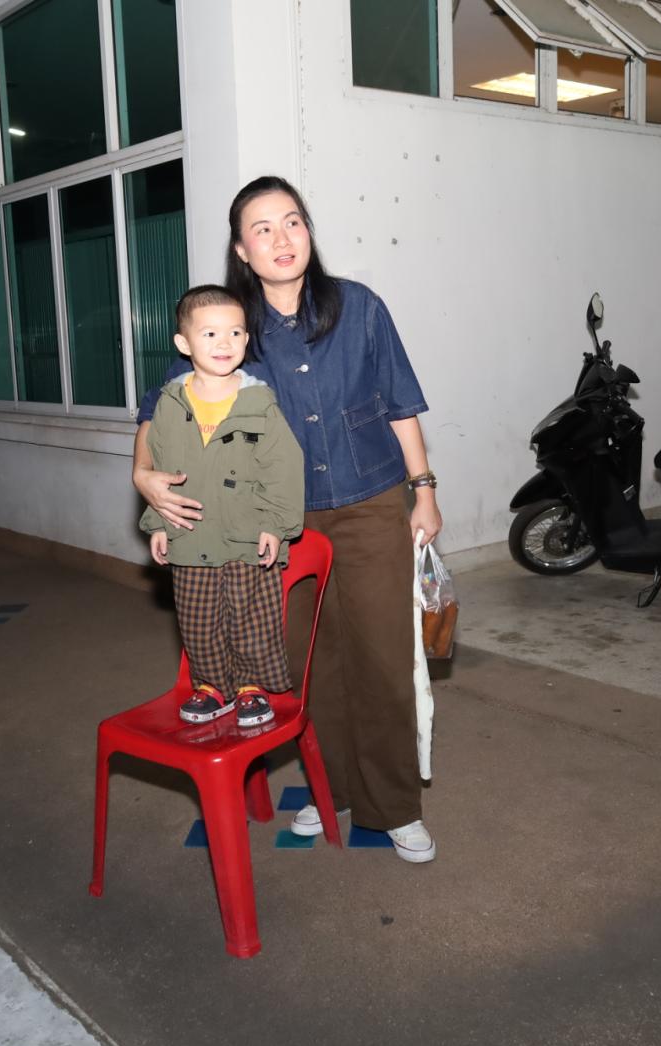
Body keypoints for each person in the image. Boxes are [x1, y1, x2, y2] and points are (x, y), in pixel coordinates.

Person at [134, 176, 443, 863]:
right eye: (263, 228)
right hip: (276, 522)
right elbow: (160, 406)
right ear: (241, 250)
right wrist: (142, 472)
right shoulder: (227, 325)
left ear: (308, 231)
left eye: (292, 221)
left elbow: (400, 403)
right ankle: (334, 793)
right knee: (309, 665)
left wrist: (423, 490)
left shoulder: (359, 308)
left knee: (382, 658)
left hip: (369, 503)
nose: (281, 238)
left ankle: (394, 807)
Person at [140, 285, 304, 728]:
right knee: (197, 619)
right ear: (184, 343)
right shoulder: (170, 402)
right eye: (210, 334)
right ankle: (212, 686)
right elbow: (158, 466)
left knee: (253, 617)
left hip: (247, 536)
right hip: (190, 533)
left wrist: (276, 524)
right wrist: (158, 523)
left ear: (247, 340)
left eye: (235, 332)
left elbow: (284, 467)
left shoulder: (259, 402)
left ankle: (251, 687)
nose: (224, 343)